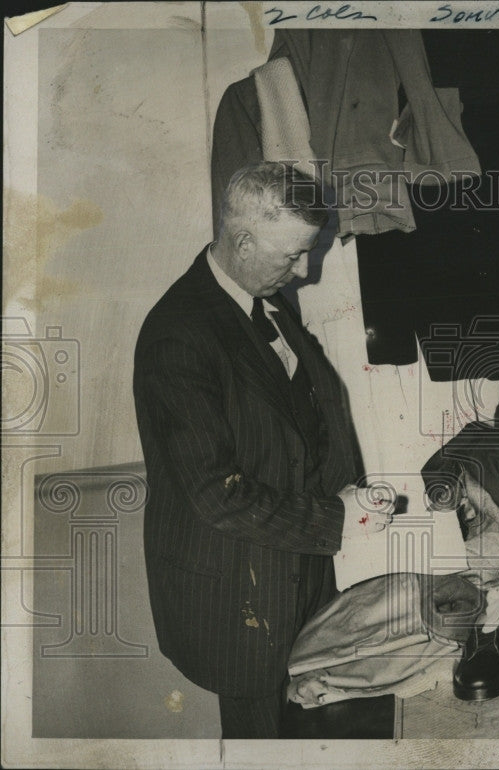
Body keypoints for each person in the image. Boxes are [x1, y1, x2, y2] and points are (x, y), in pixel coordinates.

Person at [133, 161, 391, 738]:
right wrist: (339, 518)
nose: (304, 270)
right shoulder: (178, 332)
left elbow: (305, 416)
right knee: (259, 742)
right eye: (292, 255)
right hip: (234, 593)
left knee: (311, 729)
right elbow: (215, 494)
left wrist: (350, 491)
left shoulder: (265, 299)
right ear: (243, 240)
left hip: (299, 574)